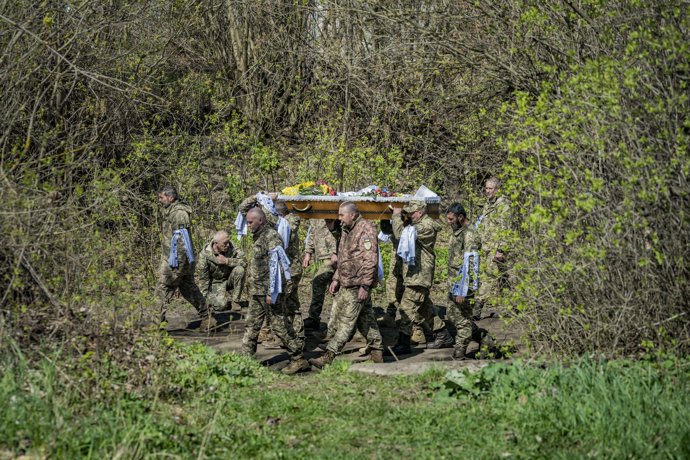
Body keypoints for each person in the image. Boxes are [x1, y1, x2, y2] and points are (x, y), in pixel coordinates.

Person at [309, 202, 384, 368]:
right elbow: (343, 257)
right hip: (346, 281)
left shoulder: (366, 229)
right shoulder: (346, 230)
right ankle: (377, 352)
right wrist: (336, 278)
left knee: (346, 321)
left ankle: (328, 356)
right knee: (366, 320)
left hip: (358, 283)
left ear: (352, 214)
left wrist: (365, 285)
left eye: (342, 215)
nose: (339, 218)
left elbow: (370, 259)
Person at [239, 207, 309, 374]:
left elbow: (276, 266)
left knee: (280, 326)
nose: (248, 225)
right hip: (257, 291)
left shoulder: (271, 237)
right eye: (247, 222)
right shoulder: (258, 236)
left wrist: (272, 292)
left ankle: (298, 358)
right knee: (252, 325)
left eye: (250, 222)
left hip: (270, 292)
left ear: (260, 221)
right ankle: (244, 361)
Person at [390, 200, 452, 354]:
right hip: (415, 274)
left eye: (412, 212)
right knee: (425, 308)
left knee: (406, 308)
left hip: (420, 274)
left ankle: (404, 342)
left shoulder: (426, 226)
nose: (410, 215)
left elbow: (400, 234)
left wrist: (397, 215)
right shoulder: (417, 224)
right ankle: (442, 334)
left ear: (421, 211)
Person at [156, 185, 210, 328]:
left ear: (171, 198)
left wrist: (177, 267)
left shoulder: (179, 213)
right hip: (175, 259)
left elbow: (182, 241)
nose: (160, 200)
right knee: (188, 289)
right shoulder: (170, 210)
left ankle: (157, 324)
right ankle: (207, 316)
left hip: (176, 261)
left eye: (162, 197)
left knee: (162, 289)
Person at [446, 203, 492, 359]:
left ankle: (459, 351)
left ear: (460, 217)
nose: (449, 222)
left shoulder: (469, 234)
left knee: (462, 319)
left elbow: (470, 264)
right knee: (452, 315)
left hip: (463, 285)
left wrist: (462, 290)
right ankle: (483, 338)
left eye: (451, 219)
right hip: (454, 283)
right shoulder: (458, 232)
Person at [475, 177, 511, 319]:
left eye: (490, 188)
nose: (487, 191)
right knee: (503, 278)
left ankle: (478, 306)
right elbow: (484, 224)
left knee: (488, 276)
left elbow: (505, 228)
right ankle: (509, 307)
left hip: (496, 247)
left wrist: (500, 250)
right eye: (486, 188)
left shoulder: (503, 205)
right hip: (487, 246)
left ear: (497, 189)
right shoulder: (488, 204)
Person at [195, 230, 246, 314]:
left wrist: (227, 261)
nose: (228, 245)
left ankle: (235, 301)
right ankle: (212, 298)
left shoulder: (231, 246)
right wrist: (202, 301)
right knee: (221, 306)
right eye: (224, 243)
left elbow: (244, 262)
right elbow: (203, 279)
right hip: (215, 284)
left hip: (229, 279)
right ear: (216, 243)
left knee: (240, 269)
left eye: (228, 242)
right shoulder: (204, 255)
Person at [303, 219, 339, 330]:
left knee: (321, 283)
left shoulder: (334, 212)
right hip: (321, 256)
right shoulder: (316, 216)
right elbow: (312, 233)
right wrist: (308, 253)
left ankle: (317, 318)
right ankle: (314, 318)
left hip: (331, 256)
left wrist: (335, 252)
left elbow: (340, 234)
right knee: (324, 285)